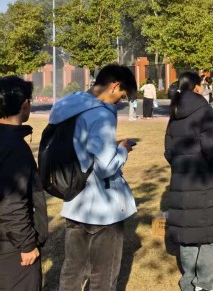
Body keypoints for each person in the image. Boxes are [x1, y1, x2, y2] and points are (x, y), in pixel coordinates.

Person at [51, 65, 137, 291]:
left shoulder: (66, 106)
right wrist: (123, 150)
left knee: (72, 270)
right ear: (115, 86)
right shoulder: (100, 114)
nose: (120, 102)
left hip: (74, 199)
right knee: (104, 275)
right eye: (122, 95)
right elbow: (105, 167)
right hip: (103, 207)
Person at [165, 72, 213, 291]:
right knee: (210, 234)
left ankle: (189, 281)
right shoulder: (204, 111)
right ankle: (205, 283)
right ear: (196, 87)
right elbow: (211, 148)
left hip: (182, 179)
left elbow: (168, 150)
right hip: (205, 180)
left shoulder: (174, 112)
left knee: (188, 233)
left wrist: (180, 166)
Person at [0, 77, 47, 291]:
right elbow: (12, 203)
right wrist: (27, 244)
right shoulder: (13, 148)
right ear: (25, 104)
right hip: (12, 248)